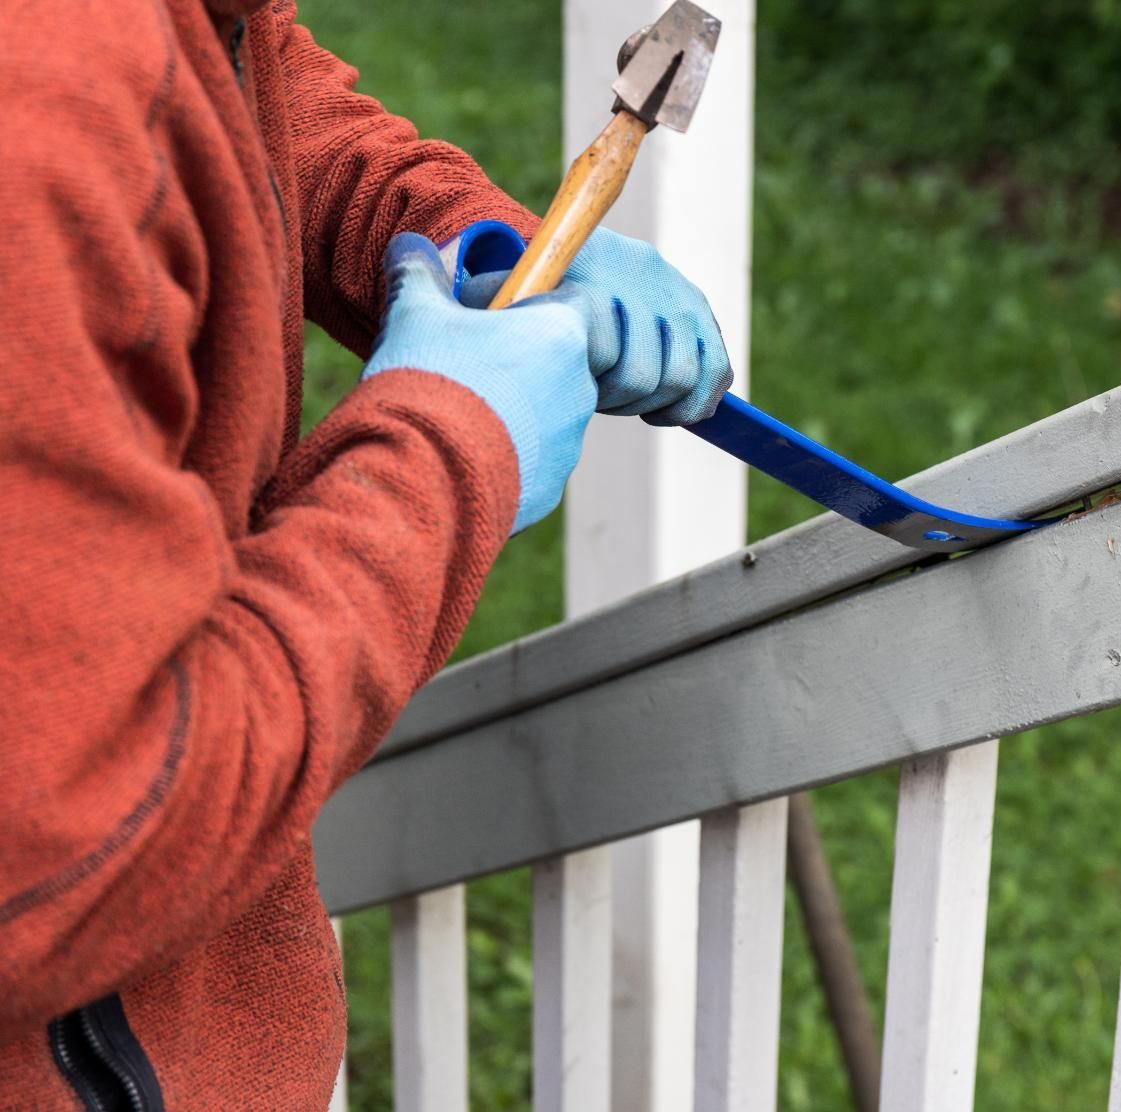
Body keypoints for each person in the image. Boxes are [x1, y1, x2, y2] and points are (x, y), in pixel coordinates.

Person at [0, 1, 732, 1105]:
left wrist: (469, 232)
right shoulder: (41, 92)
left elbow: (246, 88)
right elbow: (80, 837)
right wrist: (444, 445)